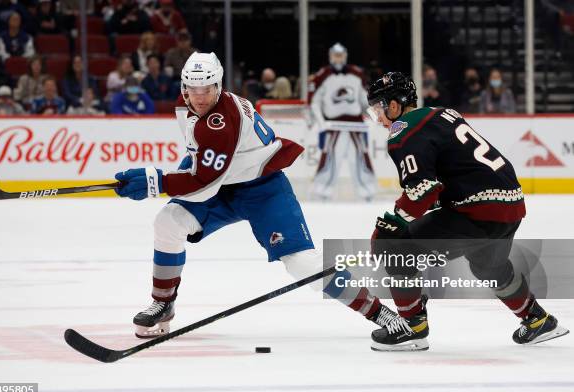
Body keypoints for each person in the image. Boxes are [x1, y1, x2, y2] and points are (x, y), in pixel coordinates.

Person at [113, 52, 404, 339]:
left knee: (302, 264)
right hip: (222, 185)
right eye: (192, 89)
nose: (199, 97)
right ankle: (163, 302)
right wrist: (165, 180)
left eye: (207, 89)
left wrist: (156, 181)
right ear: (183, 88)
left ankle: (380, 313)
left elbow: (204, 181)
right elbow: (198, 159)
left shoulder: (222, 122)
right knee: (168, 223)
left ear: (219, 86)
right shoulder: (184, 106)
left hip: (263, 189)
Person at [366, 72, 569, 351]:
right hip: (511, 205)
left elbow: (422, 189)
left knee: (392, 246)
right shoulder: (444, 113)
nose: (379, 118)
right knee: (488, 264)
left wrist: (394, 222)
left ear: (394, 105)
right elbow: (455, 170)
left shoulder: (402, 131)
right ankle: (537, 320)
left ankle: (412, 327)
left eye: (379, 108)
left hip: (476, 211)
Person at [308, 43, 376, 201]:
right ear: (330, 56)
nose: (338, 59)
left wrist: (374, 116)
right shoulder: (322, 75)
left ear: (345, 56)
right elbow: (315, 102)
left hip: (356, 125)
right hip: (333, 125)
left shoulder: (357, 74)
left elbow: (365, 100)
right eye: (335, 55)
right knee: (330, 157)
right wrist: (320, 122)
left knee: (360, 157)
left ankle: (367, 191)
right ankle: (322, 191)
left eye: (341, 55)